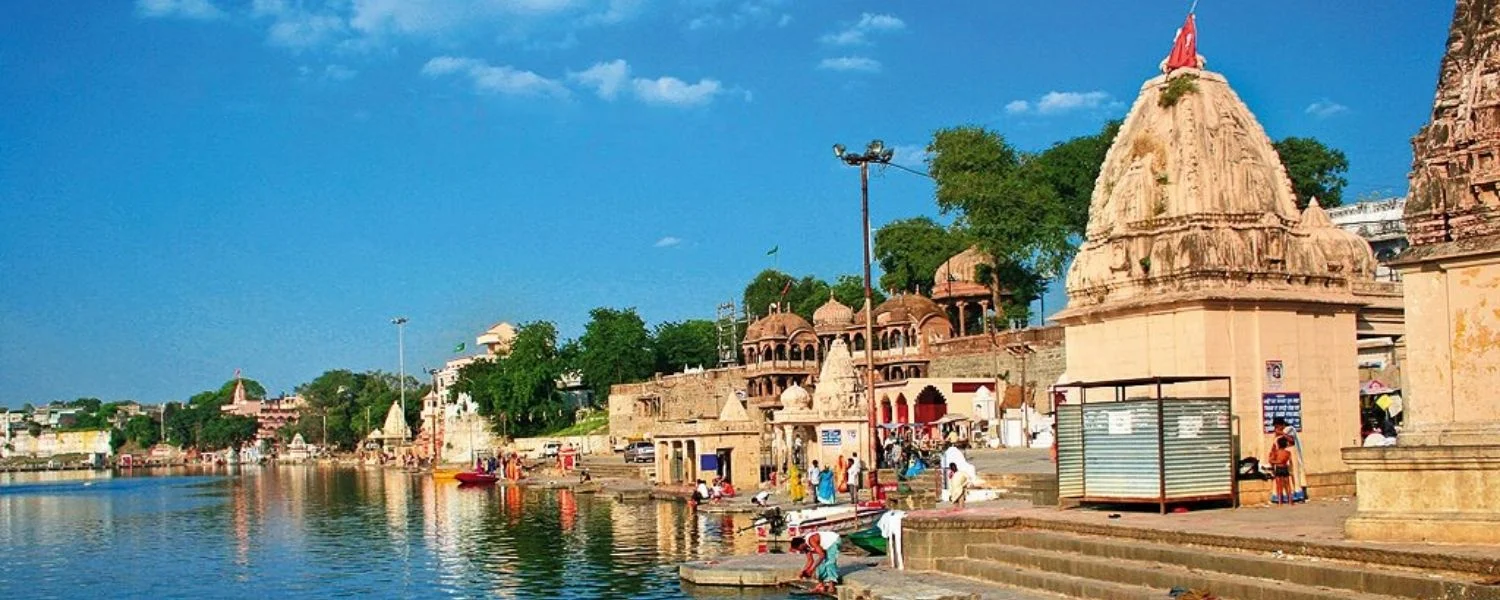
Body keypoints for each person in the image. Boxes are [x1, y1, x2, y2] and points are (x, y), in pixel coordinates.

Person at [791, 531, 842, 595]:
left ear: (801, 544)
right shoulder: (805, 547)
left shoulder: (811, 540)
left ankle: (831, 586)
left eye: (798, 549)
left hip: (833, 541)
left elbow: (822, 555)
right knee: (820, 565)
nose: (799, 551)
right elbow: (810, 560)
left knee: (829, 563)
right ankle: (821, 585)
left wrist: (811, 569)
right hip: (825, 545)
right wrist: (803, 571)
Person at [1269, 418, 1307, 503]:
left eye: (1277, 426)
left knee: (1294, 474)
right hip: (1281, 455)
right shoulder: (1277, 434)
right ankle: (1281, 497)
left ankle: (1297, 495)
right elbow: (1275, 444)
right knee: (1281, 477)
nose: (1276, 428)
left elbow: (1291, 440)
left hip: (1291, 454)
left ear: (1281, 425)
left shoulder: (1289, 429)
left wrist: (1282, 433)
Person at [1269, 437, 1293, 507]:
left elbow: (1271, 460)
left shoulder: (1276, 452)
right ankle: (1290, 502)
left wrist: (1277, 461)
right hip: (1285, 468)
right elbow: (1289, 461)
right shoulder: (1288, 453)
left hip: (1279, 468)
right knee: (1288, 485)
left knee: (1279, 486)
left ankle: (1280, 503)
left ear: (1278, 444)